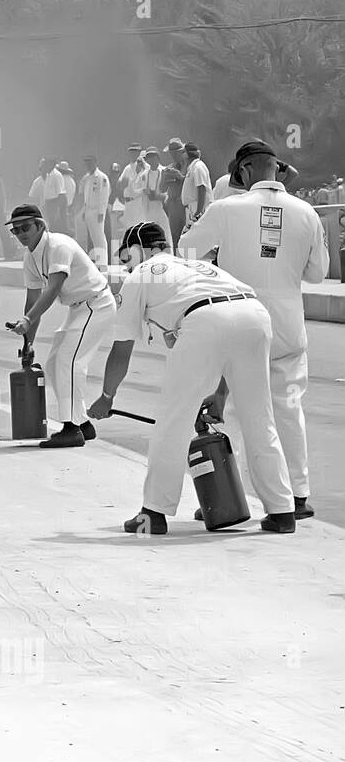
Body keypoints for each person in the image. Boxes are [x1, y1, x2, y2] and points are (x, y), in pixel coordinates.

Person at [88, 222, 296, 535]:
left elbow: (122, 348)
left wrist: (106, 397)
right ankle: (282, 512)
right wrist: (221, 395)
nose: (126, 266)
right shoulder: (197, 266)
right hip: (253, 315)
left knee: (173, 421)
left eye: (125, 258)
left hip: (205, 319)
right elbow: (228, 324)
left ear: (136, 250)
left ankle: (153, 513)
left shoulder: (142, 274)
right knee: (259, 418)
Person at [177, 140, 329, 520]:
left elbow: (187, 250)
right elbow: (317, 273)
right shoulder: (307, 213)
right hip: (289, 329)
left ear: (241, 172)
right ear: (277, 170)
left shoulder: (226, 207)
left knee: (251, 416)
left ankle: (253, 497)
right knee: (289, 412)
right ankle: (298, 495)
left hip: (244, 325)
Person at [4, 204, 116, 448]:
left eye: (26, 227)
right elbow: (32, 299)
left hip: (96, 304)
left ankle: (71, 428)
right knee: (55, 362)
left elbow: (53, 287)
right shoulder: (30, 257)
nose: (21, 233)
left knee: (69, 361)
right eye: (16, 230)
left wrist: (27, 320)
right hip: (79, 308)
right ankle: (83, 423)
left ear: (40, 226)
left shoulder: (58, 245)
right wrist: (28, 342)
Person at [76, 155, 110, 265]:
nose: (88, 165)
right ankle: (96, 261)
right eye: (86, 163)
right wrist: (84, 210)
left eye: (90, 163)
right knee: (92, 237)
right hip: (88, 210)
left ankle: (102, 263)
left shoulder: (101, 177)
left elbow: (104, 196)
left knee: (99, 237)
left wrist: (101, 212)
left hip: (97, 211)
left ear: (95, 162)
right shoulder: (87, 178)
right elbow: (86, 196)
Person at [137, 148, 173, 251]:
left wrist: (157, 196)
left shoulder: (165, 172)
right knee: (150, 235)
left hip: (162, 209)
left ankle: (169, 256)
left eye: (153, 156)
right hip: (149, 209)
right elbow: (138, 190)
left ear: (158, 157)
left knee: (165, 233)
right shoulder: (144, 174)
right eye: (149, 157)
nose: (151, 159)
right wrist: (145, 192)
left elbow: (169, 193)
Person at [177, 141, 212, 225]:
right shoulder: (192, 167)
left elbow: (201, 188)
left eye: (183, 152)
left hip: (198, 207)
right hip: (192, 207)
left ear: (187, 154)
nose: (182, 155)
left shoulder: (198, 166)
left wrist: (198, 212)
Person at [118, 143, 147, 227]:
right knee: (128, 229)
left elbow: (145, 188)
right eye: (131, 151)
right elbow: (120, 184)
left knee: (139, 228)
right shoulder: (127, 168)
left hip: (139, 203)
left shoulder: (146, 167)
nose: (132, 154)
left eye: (135, 151)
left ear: (139, 152)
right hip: (128, 203)